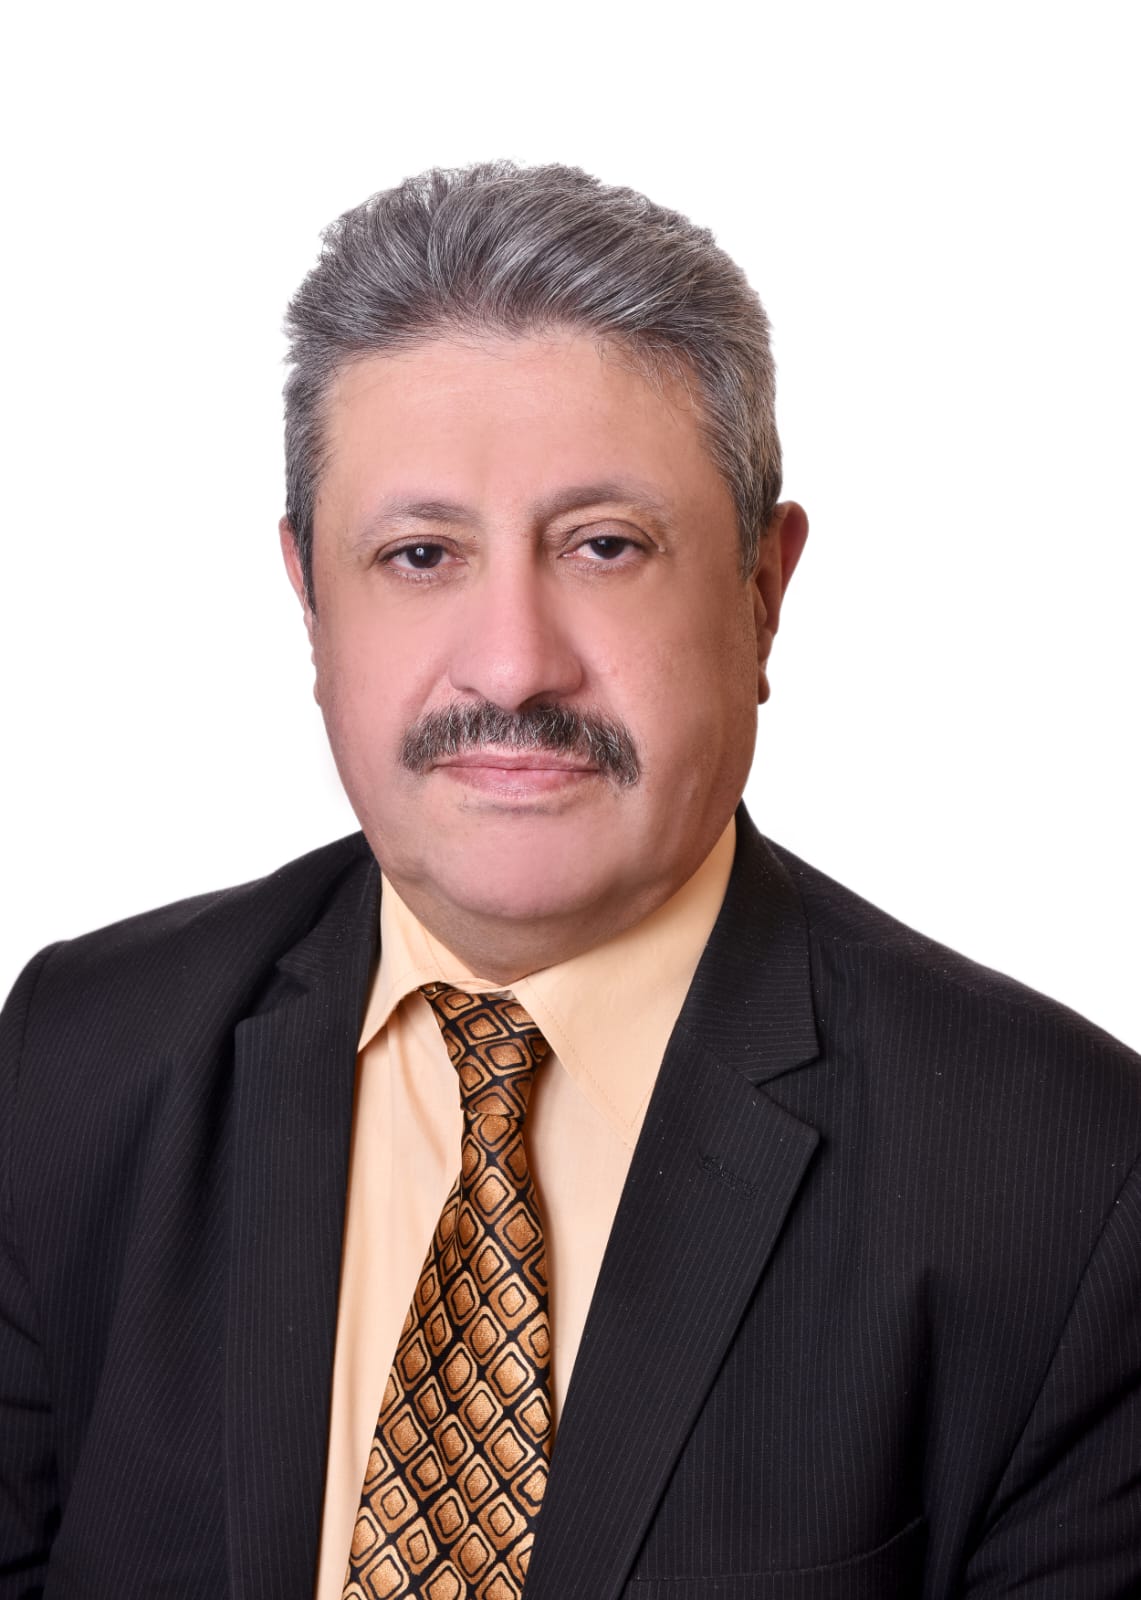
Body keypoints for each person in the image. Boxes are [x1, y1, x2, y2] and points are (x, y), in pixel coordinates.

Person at [1, 162, 1138, 1600]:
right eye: (420, 554)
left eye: (604, 547)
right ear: (310, 601)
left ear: (762, 591)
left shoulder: (1071, 1181)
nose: (512, 666)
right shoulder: (75, 1061)